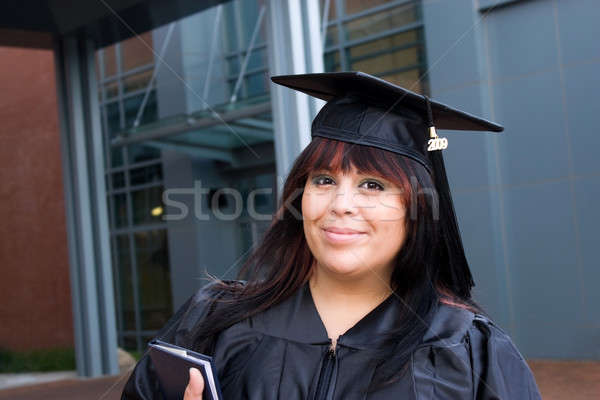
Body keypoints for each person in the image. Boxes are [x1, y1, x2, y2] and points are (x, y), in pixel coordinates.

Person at [121, 72, 542, 399]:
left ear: (417, 209)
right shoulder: (213, 321)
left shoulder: (467, 351)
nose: (340, 203)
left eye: (372, 185)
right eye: (323, 180)